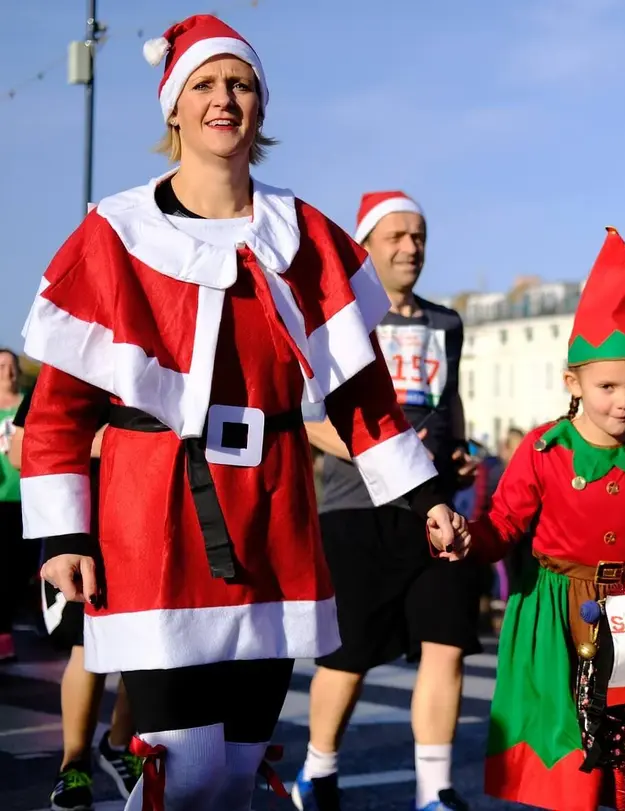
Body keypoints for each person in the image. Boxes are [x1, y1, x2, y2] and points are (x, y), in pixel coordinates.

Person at [21, 15, 460, 811]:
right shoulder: (114, 234)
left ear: (261, 105)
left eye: (242, 84)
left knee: (236, 769)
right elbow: (59, 407)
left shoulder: (304, 234)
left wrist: (425, 496)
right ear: (174, 109)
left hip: (273, 516)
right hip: (153, 518)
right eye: (206, 84)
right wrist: (64, 534)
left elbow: (360, 391)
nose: (226, 99)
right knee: (182, 771)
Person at [455, 227, 625, 811]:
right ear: (573, 383)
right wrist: (465, 540)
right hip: (552, 614)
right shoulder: (544, 449)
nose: (624, 401)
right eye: (607, 387)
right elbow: (503, 526)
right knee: (568, 758)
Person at [294, 190, 479, 811]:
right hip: (355, 507)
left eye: (419, 235)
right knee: (349, 657)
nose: (411, 247)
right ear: (365, 246)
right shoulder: (339, 319)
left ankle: (434, 791)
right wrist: (380, 454)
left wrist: (460, 450)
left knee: (445, 642)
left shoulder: (446, 323)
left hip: (437, 510)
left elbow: (449, 404)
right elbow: (306, 419)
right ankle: (317, 772)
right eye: (396, 236)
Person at [8, 390, 144, 810]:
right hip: (83, 530)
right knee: (85, 646)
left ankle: (120, 747)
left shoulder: (153, 359)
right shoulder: (65, 360)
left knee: (148, 646)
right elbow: (19, 450)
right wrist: (123, 438)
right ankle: (73, 764)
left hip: (148, 523)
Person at [0, 348, 30, 663]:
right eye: (1, 366)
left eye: (12, 366)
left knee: (15, 569)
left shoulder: (27, 405)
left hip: (22, 497)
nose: (7, 372)